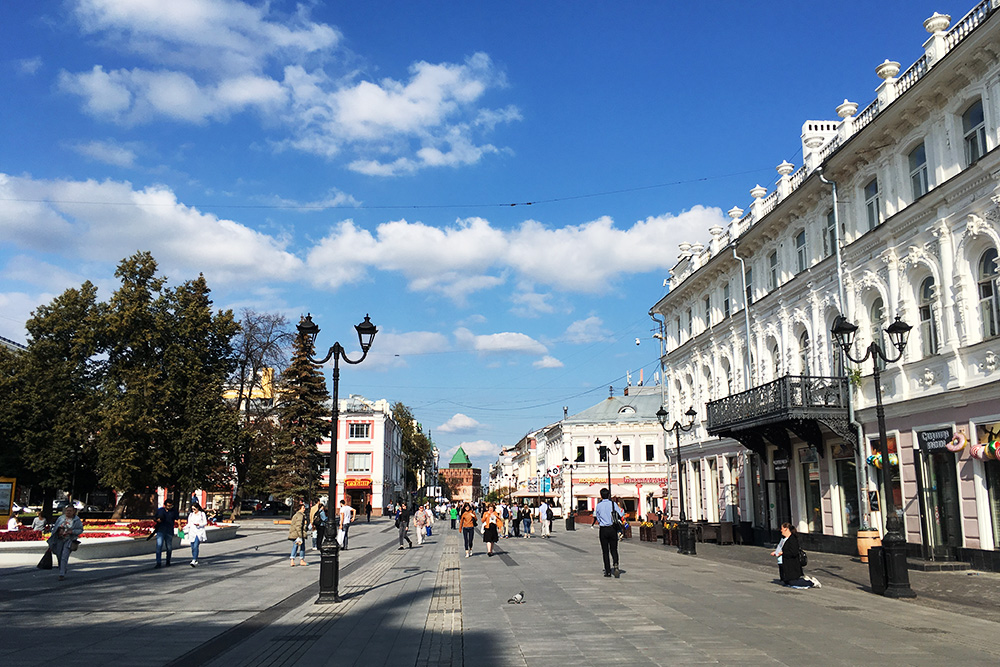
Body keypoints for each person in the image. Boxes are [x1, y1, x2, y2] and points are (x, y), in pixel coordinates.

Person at [770, 522, 819, 587]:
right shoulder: (785, 539)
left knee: (793, 581)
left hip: (792, 564)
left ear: (786, 529)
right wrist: (777, 552)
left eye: (782, 528)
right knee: (786, 581)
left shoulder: (792, 539)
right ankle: (804, 580)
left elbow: (793, 552)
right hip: (785, 562)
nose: (781, 530)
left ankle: (812, 582)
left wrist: (782, 553)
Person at [591, 488, 624, 578]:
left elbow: (597, 517)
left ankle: (608, 571)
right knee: (614, 549)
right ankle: (616, 564)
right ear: (609, 495)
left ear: (601, 495)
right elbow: (620, 515)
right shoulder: (613, 504)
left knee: (605, 551)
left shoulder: (598, 505)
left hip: (603, 529)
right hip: (612, 528)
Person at [47, 505, 84, 581]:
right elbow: (55, 528)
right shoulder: (61, 518)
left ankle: (61, 573)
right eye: (67, 511)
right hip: (59, 540)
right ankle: (62, 568)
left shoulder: (76, 520)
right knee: (59, 555)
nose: (68, 512)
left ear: (74, 512)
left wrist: (72, 531)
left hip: (69, 540)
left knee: (64, 556)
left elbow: (80, 530)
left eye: (70, 511)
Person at [153, 498, 180, 569]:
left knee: (169, 547)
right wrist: (157, 520)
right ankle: (158, 562)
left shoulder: (174, 511)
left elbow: (177, 518)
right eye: (168, 506)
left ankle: (168, 561)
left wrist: (179, 526)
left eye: (170, 506)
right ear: (165, 505)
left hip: (169, 531)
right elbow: (155, 518)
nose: (169, 507)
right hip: (160, 530)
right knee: (159, 546)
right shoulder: (160, 510)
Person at [185, 502, 208, 567]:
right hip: (192, 532)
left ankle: (194, 559)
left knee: (195, 546)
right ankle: (195, 558)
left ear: (197, 508)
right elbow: (189, 524)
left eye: (194, 509)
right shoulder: (191, 515)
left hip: (199, 532)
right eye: (192, 509)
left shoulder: (202, 514)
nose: (193, 510)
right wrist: (183, 528)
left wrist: (199, 524)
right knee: (192, 547)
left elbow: (205, 522)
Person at [288, 502, 308, 566]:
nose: (304, 509)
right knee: (301, 547)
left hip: (295, 533)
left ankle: (292, 560)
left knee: (295, 546)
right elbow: (298, 525)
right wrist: (300, 536)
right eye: (303, 508)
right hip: (298, 533)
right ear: (300, 508)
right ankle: (301, 560)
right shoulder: (300, 515)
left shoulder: (296, 514)